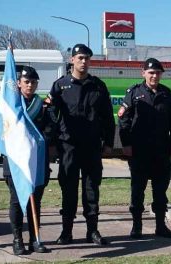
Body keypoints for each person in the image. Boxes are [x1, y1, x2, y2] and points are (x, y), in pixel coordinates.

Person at [47, 44, 115, 246]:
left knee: (91, 190)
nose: (83, 61)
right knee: (68, 189)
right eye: (79, 58)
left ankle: (92, 231)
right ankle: (66, 232)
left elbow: (107, 118)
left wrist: (109, 143)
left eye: (86, 58)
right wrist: (52, 142)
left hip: (92, 146)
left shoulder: (98, 86)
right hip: (68, 147)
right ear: (72, 60)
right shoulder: (60, 86)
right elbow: (51, 115)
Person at [118, 58, 171, 239]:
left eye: (157, 73)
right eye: (151, 72)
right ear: (143, 73)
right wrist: (126, 144)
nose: (154, 76)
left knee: (160, 191)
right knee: (138, 190)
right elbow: (124, 120)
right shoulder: (134, 92)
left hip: (161, 150)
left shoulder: (166, 93)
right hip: (139, 151)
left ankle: (160, 226)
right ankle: (136, 226)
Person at [2, 66, 55, 255]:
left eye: (33, 82)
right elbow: (3, 129)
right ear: (18, 83)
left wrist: (38, 139)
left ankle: (35, 239)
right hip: (16, 161)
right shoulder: (10, 106)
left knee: (36, 201)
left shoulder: (42, 105)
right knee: (17, 201)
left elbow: (50, 128)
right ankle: (18, 240)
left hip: (37, 160)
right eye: (26, 82)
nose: (30, 85)